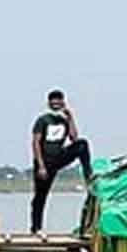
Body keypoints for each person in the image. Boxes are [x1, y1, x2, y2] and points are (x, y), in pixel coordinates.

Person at [29, 88, 93, 235]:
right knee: (40, 195)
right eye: (54, 102)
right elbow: (35, 143)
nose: (56, 104)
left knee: (82, 144)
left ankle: (88, 176)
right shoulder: (43, 120)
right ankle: (36, 228)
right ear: (49, 103)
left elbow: (74, 138)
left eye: (59, 101)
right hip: (45, 161)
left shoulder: (64, 120)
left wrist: (70, 118)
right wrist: (41, 166)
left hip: (59, 157)